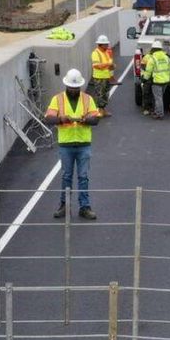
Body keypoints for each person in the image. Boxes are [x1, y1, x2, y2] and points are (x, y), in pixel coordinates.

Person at [44, 68, 101, 219]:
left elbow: (96, 119)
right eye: (71, 87)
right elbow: (48, 118)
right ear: (66, 86)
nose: (74, 90)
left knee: (83, 176)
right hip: (66, 144)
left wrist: (86, 119)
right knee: (66, 176)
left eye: (76, 88)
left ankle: (84, 207)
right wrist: (60, 119)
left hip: (83, 143)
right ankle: (65, 206)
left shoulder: (88, 99)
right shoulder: (58, 99)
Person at [141, 39, 170, 119]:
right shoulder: (166, 57)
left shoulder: (152, 58)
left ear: (153, 49)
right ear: (161, 49)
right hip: (166, 81)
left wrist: (145, 78)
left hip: (157, 81)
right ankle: (156, 111)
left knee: (158, 98)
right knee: (160, 97)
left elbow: (148, 71)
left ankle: (159, 114)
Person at [89, 34, 115, 116]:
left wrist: (112, 66)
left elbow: (109, 64)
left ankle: (103, 110)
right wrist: (108, 64)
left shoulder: (106, 53)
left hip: (106, 77)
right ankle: (99, 110)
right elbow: (96, 65)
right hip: (99, 78)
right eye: (106, 44)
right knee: (100, 94)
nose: (107, 45)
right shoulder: (95, 53)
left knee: (106, 94)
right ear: (101, 44)